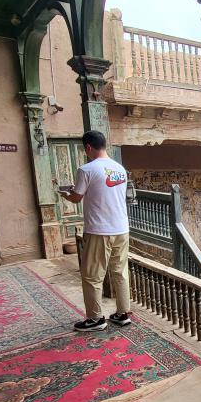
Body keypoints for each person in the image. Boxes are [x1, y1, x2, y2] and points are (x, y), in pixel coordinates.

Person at [61, 131, 135, 331]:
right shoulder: (120, 168)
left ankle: (95, 319)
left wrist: (65, 194)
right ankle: (123, 313)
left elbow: (77, 197)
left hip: (99, 229)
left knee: (92, 276)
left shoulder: (86, 169)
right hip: (121, 228)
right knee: (120, 272)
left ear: (88, 148)